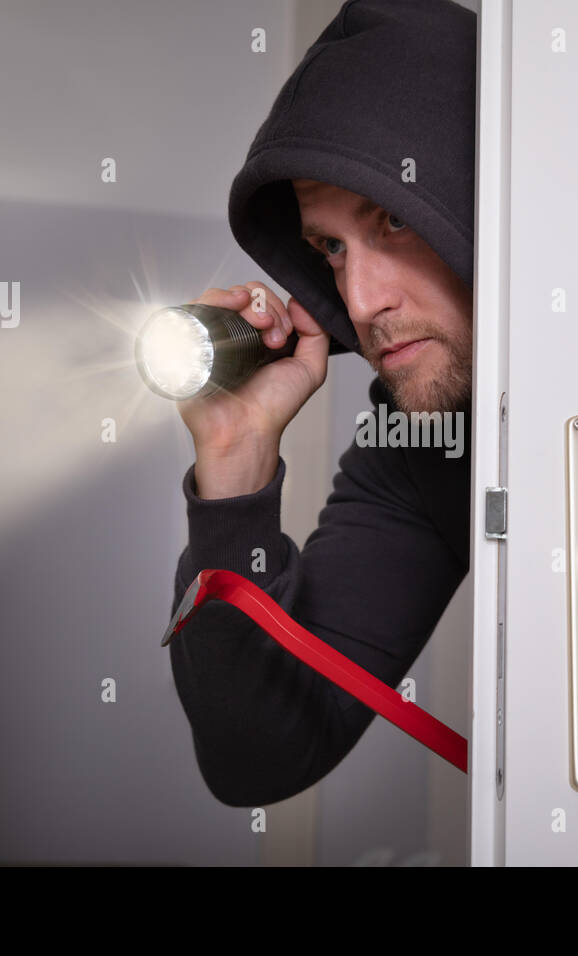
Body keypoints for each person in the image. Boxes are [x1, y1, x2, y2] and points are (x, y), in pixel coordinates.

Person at [167, 0, 477, 807]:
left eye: (397, 219)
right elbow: (258, 760)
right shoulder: (417, 449)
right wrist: (233, 463)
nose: (361, 300)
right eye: (330, 250)